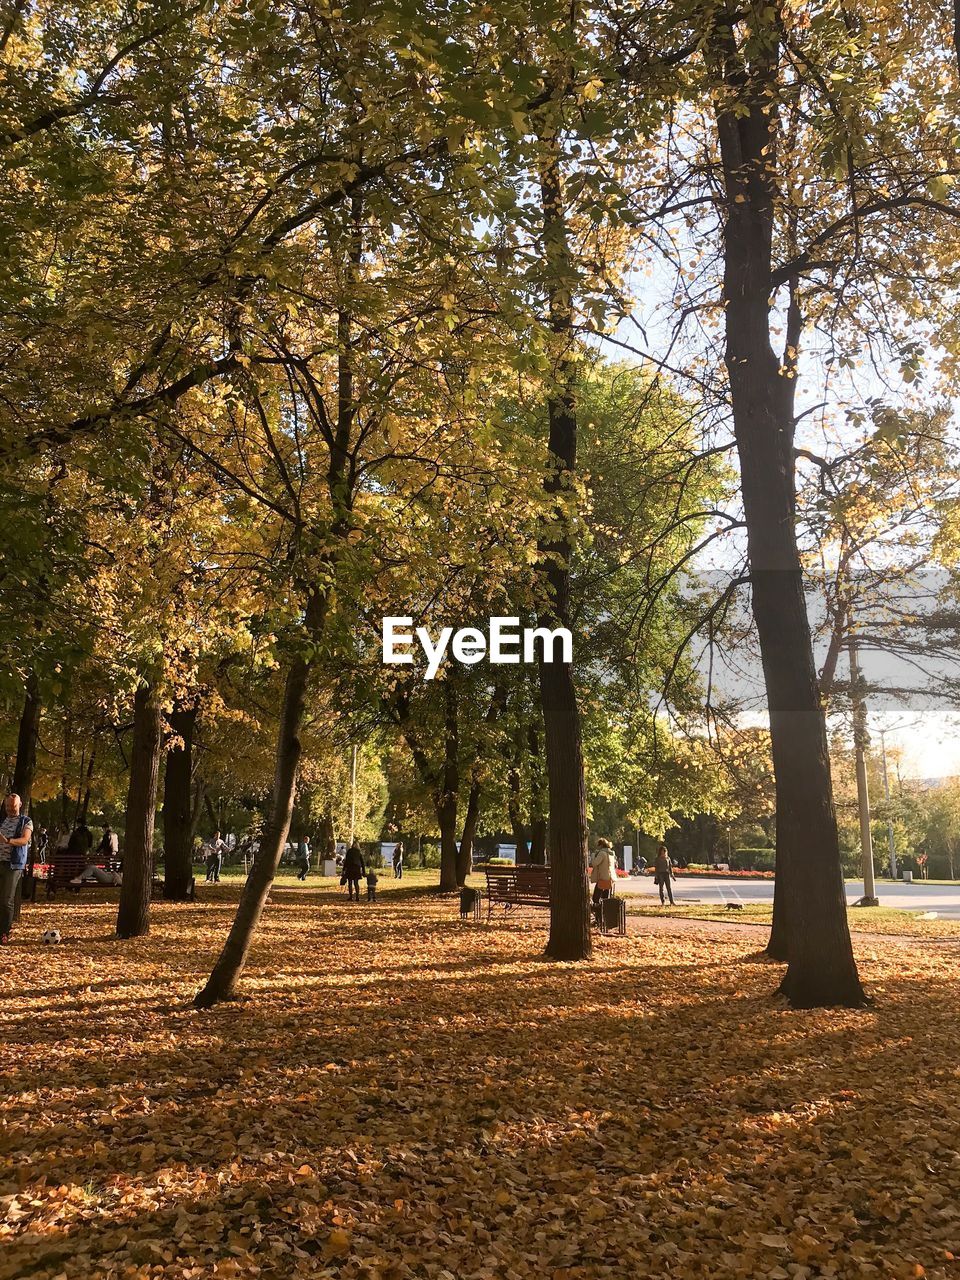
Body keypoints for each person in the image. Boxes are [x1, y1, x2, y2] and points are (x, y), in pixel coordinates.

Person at [0, 794, 33, 944]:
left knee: (6, 899)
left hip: (13, 865)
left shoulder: (26, 821)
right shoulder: (2, 820)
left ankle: (4, 932)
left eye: (13, 807)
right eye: (7, 807)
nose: (10, 810)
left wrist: (8, 841)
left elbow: (25, 840)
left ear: (20, 805)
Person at [589, 837, 617, 925]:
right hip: (609, 879)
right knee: (605, 899)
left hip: (602, 879)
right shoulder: (611, 853)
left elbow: (594, 863)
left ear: (601, 845)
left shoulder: (602, 853)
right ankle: (604, 920)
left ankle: (598, 919)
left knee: (595, 899)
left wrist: (593, 856)